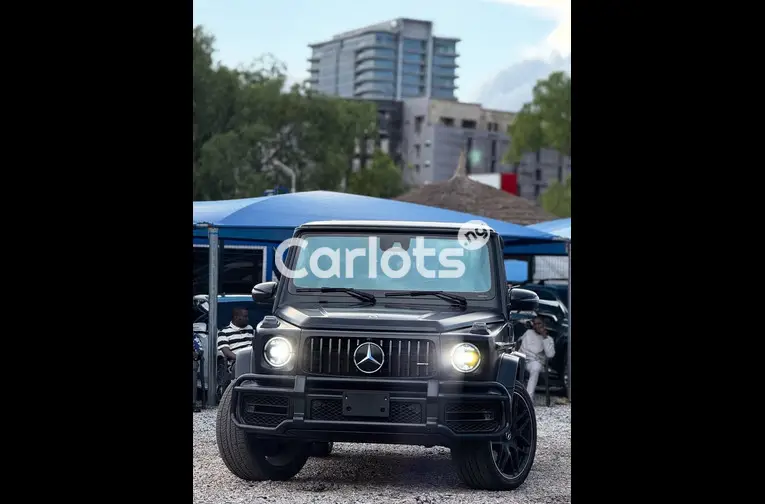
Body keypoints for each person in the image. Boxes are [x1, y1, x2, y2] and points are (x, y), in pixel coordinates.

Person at [518, 315, 556, 400]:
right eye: (535, 324)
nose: (537, 326)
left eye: (539, 323)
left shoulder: (549, 339)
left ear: (544, 325)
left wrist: (544, 337)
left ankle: (528, 399)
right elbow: (519, 341)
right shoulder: (528, 332)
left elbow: (550, 355)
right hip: (521, 359)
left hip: (534, 362)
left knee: (535, 368)